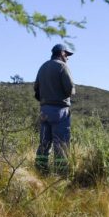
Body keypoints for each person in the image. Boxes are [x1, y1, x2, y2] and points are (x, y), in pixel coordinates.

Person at [34, 43, 76, 176]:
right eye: (67, 55)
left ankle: (40, 172)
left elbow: (36, 90)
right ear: (62, 53)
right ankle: (61, 176)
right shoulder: (63, 66)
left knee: (44, 143)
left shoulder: (42, 67)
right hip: (60, 111)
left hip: (44, 111)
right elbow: (70, 90)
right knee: (61, 144)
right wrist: (72, 91)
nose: (68, 58)